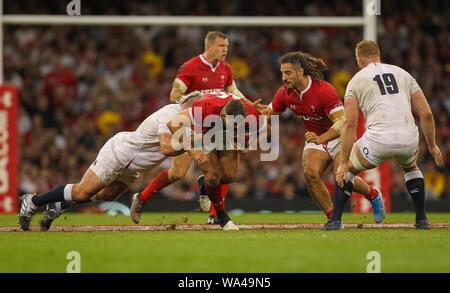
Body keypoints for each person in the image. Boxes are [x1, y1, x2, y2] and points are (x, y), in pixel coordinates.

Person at [18, 92, 206, 231]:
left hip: (133, 165)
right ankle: (33, 201)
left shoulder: (187, 120)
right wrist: (191, 147)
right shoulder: (169, 115)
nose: (203, 114)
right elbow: (166, 148)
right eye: (201, 109)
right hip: (120, 152)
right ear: (192, 107)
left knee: (108, 195)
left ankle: (61, 204)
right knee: (82, 192)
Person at [131, 31, 264, 225]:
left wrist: (249, 104)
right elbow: (174, 95)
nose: (225, 49)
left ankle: (214, 215)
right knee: (178, 173)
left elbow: (233, 92)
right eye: (221, 46)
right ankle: (142, 198)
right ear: (209, 46)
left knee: (225, 172)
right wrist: (198, 100)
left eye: (227, 46)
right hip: (194, 124)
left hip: (220, 122)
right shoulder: (190, 67)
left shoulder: (225, 68)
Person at [324, 40, 444, 230]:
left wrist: (344, 160)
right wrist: (432, 145)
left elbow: (349, 123)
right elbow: (427, 114)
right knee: (411, 167)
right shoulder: (404, 74)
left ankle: (335, 221)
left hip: (377, 141)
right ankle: (421, 220)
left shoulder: (356, 80)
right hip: (409, 139)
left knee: (347, 170)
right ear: (378, 54)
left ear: (359, 59)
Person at [261, 51, 385, 224]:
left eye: (288, 73)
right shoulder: (284, 93)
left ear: (300, 72)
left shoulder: (324, 91)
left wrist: (321, 139)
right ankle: (333, 219)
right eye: (282, 73)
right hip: (316, 138)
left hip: (339, 137)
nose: (284, 77)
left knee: (340, 175)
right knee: (310, 174)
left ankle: (373, 194)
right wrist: (250, 114)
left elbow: (342, 124)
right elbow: (269, 113)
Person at [158, 91, 268, 230]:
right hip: (205, 133)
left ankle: (205, 186)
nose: (235, 127)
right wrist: (192, 151)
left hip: (224, 136)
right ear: (223, 115)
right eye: (232, 125)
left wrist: (249, 145)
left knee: (229, 177)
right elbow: (173, 124)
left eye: (237, 126)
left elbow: (266, 130)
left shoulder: (251, 114)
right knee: (214, 178)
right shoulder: (205, 107)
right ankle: (222, 216)